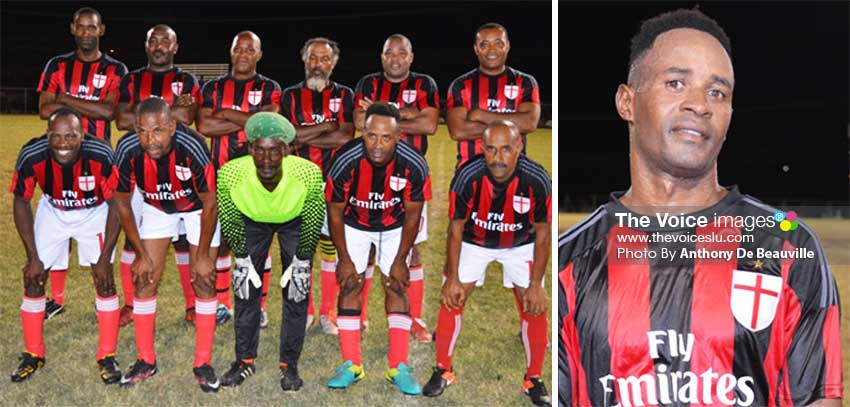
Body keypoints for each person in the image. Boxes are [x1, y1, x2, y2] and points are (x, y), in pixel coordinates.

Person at [558, 9, 843, 407]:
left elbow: (817, 399)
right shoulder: (567, 264)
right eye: (676, 83)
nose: (700, 105)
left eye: (717, 93)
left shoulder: (789, 248)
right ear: (627, 102)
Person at [422, 120, 552, 406]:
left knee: (535, 304)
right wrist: (452, 277)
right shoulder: (467, 176)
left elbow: (543, 233)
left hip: (521, 244)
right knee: (451, 299)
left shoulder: (537, 179)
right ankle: (443, 370)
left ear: (519, 147)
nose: (498, 157)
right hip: (474, 242)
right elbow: (455, 228)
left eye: (506, 149)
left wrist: (535, 284)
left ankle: (534, 378)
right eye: (491, 149)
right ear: (482, 148)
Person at [113, 98, 220, 392]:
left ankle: (203, 362)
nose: (151, 139)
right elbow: (122, 202)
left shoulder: (193, 146)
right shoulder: (127, 149)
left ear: (172, 126)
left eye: (158, 130)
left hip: (199, 208)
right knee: (144, 278)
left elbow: (211, 202)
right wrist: (139, 253)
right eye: (143, 131)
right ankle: (146, 359)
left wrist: (201, 256)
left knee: (204, 280)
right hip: (157, 207)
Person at [9, 108, 122, 384]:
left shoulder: (100, 154)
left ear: (82, 135)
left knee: (104, 281)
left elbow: (117, 204)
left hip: (94, 212)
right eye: (56, 137)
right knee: (33, 278)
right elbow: (21, 201)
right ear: (47, 135)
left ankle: (107, 355)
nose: (63, 144)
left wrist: (105, 257)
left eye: (70, 136)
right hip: (54, 211)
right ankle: (33, 352)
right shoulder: (32, 154)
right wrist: (32, 256)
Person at [324, 103, 428, 395]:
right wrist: (343, 258)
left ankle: (398, 366)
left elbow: (412, 214)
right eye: (371, 136)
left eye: (385, 137)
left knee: (396, 285)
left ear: (398, 136)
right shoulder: (345, 160)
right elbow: (334, 211)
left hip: (394, 225)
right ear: (363, 132)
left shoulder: (414, 163)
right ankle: (351, 365)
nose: (377, 144)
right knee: (349, 285)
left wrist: (400, 260)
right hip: (353, 223)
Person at [216, 112, 324, 391]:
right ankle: (244, 360)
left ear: (287, 151)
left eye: (275, 151)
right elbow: (229, 217)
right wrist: (242, 257)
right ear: (250, 148)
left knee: (296, 291)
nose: (266, 159)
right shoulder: (229, 173)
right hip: (251, 220)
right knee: (244, 289)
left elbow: (313, 218)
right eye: (260, 150)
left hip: (295, 220)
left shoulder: (308, 172)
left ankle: (290, 364)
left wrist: (301, 262)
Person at [35, 6, 127, 319]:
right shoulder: (57, 65)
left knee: (100, 230)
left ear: (101, 30)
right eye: (82, 27)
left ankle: (103, 295)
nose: (87, 32)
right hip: (59, 160)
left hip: (100, 161)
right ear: (73, 28)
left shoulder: (116, 69)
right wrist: (85, 105)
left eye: (93, 27)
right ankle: (55, 299)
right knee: (60, 223)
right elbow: (44, 110)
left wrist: (64, 100)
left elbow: (109, 112)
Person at [114, 24, 201, 327]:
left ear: (175, 47)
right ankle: (131, 302)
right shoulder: (131, 78)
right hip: (139, 167)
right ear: (146, 45)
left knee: (181, 241)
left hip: (177, 166)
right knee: (132, 237)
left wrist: (143, 112)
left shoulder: (186, 79)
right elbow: (121, 119)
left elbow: (188, 117)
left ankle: (192, 304)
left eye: (166, 41)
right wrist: (167, 111)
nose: (160, 45)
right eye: (154, 40)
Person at [353, 34, 439, 340]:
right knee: (366, 249)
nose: (395, 58)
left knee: (411, 249)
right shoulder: (367, 82)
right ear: (382, 56)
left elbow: (429, 124)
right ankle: (358, 315)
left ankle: (414, 319)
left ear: (411, 57)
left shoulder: (425, 84)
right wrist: (408, 113)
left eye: (402, 53)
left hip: (410, 178)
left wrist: (382, 113)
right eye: (390, 52)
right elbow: (360, 122)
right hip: (368, 175)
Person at [197, 31, 282, 328]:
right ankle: (222, 304)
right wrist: (247, 118)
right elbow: (206, 125)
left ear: (259, 54)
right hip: (219, 175)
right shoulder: (213, 86)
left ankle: (257, 307)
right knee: (220, 244)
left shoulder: (270, 87)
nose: (243, 54)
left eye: (250, 49)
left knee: (258, 243)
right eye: (238, 49)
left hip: (258, 176)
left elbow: (266, 124)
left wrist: (227, 113)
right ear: (231, 52)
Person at [280, 36, 355, 335]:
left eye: (325, 59)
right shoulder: (289, 96)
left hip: (336, 183)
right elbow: (287, 137)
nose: (318, 65)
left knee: (331, 249)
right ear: (304, 60)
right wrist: (325, 126)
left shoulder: (345, 94)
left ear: (333, 64)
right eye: (313, 58)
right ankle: (305, 311)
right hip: (299, 181)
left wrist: (304, 134)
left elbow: (345, 136)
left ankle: (328, 312)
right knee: (301, 249)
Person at [446, 22, 540, 168]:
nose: (492, 50)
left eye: (498, 43)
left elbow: (529, 123)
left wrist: (480, 115)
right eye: (484, 45)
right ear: (476, 49)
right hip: (470, 173)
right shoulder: (461, 85)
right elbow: (458, 131)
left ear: (507, 46)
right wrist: (512, 125)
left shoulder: (525, 82)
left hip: (515, 174)